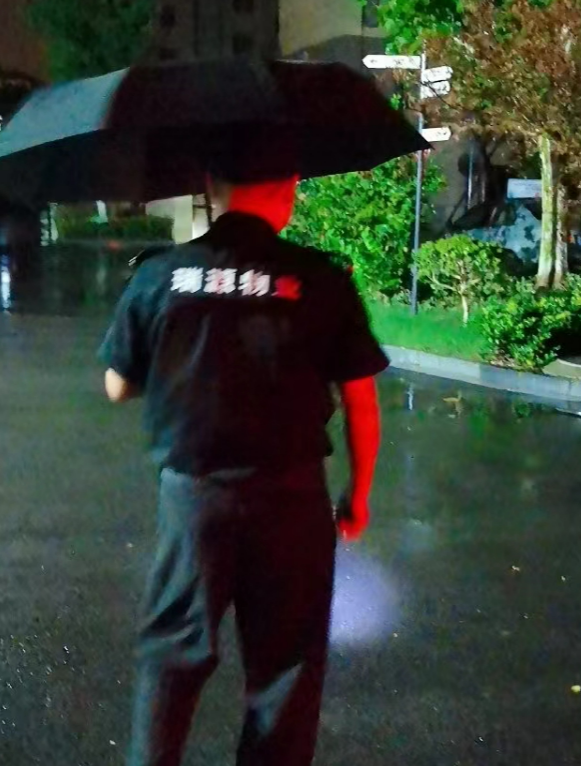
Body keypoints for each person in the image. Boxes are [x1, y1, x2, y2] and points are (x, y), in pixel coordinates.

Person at [97, 166, 387, 766]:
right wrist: (357, 493)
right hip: (293, 501)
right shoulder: (321, 278)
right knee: (286, 663)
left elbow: (117, 386)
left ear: (210, 188)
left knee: (174, 651)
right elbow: (361, 399)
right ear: (288, 191)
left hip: (194, 500)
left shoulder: (159, 274)